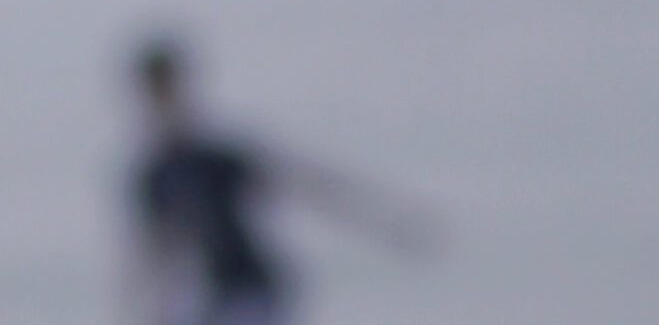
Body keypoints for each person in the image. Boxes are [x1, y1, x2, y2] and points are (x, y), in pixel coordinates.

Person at [127, 36, 438, 325]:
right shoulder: (154, 175)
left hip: (254, 288)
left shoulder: (217, 158)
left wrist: (387, 221)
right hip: (215, 295)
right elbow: (158, 252)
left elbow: (310, 187)